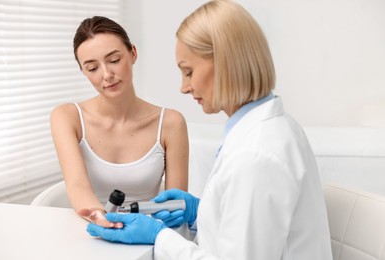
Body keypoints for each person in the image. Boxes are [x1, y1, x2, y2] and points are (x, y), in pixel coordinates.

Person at [84, 1, 333, 259]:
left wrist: (159, 237)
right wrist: (202, 214)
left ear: (226, 63)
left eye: (188, 72)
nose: (184, 87)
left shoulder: (256, 154)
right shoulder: (274, 128)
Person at [50, 16, 189, 228]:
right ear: (83, 71)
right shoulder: (67, 117)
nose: (107, 75)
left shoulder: (171, 123)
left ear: (133, 53)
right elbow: (77, 186)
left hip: (150, 234)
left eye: (114, 60)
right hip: (92, 231)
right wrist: (103, 220)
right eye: (92, 68)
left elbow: (175, 203)